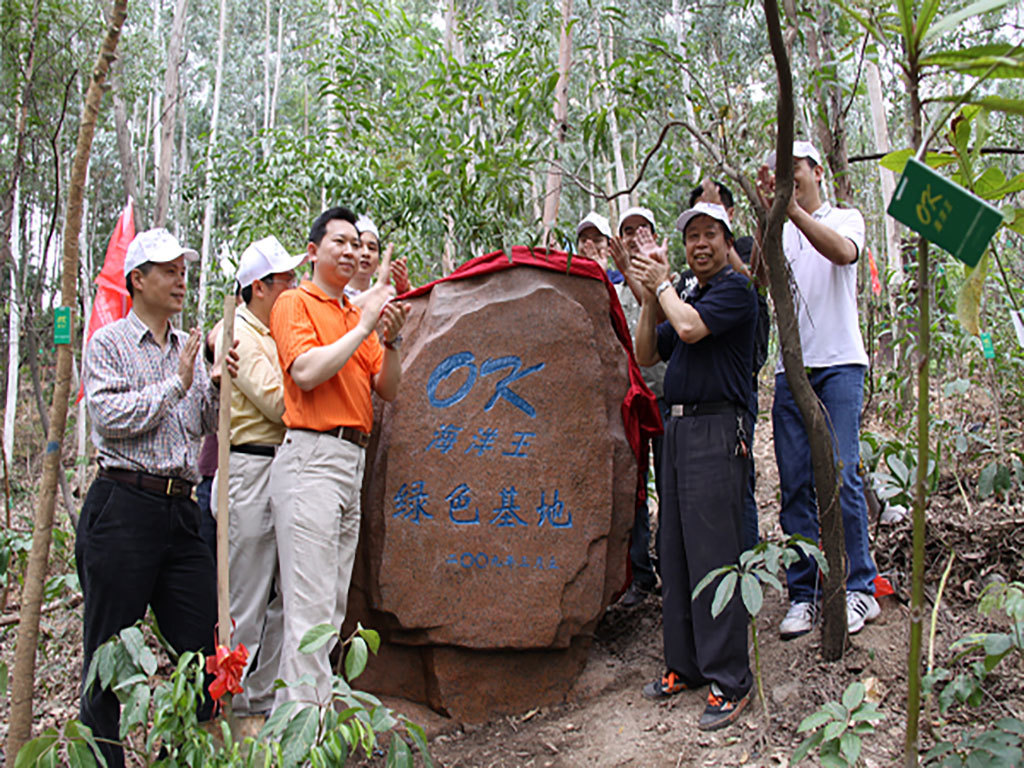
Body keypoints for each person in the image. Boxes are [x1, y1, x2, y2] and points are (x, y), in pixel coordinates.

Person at [77, 228, 237, 767]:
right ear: (137, 280)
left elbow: (200, 426)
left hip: (180, 509)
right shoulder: (109, 344)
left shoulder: (186, 346)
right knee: (107, 654)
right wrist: (177, 382)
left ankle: (181, 755)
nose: (180, 278)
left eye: (182, 269)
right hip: (124, 504)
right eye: (168, 270)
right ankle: (104, 760)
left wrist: (214, 382)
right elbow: (110, 418)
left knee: (205, 649)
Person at [268, 206, 409, 707]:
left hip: (351, 462)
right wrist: (365, 322)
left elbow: (387, 388)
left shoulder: (355, 316)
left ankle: (311, 726)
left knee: (329, 606)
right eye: (340, 243)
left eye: (357, 243)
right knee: (307, 610)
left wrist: (387, 337)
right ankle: (301, 743)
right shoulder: (294, 303)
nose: (352, 252)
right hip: (311, 459)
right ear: (313, 252)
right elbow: (306, 371)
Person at [631, 202, 755, 730]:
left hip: (716, 428)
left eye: (709, 235)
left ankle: (730, 678)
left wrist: (661, 286)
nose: (699, 245)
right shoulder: (687, 292)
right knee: (676, 547)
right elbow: (645, 354)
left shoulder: (734, 291)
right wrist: (647, 298)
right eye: (691, 238)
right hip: (677, 427)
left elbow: (688, 331)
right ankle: (685, 664)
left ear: (727, 242)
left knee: (714, 550)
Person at [756, 141, 880, 638]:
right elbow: (760, 283)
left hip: (841, 366)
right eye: (779, 173)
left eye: (794, 170)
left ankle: (860, 588)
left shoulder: (845, 218)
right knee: (796, 485)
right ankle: (804, 593)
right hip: (792, 372)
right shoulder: (779, 230)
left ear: (817, 172)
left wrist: (791, 213)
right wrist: (768, 222)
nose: (788, 178)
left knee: (843, 473)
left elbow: (843, 253)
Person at [211, 235, 305, 714]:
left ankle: (261, 697)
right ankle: (234, 702)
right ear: (261, 287)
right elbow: (276, 401)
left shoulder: (272, 333)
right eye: (288, 279)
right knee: (246, 598)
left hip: (279, 466)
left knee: (286, 596)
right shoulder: (238, 334)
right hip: (248, 469)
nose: (295, 285)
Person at [684, 180, 770, 552]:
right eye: (694, 231)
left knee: (739, 481)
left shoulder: (744, 254)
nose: (702, 241)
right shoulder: (689, 279)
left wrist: (728, 245)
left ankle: (745, 564)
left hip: (738, 382)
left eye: (712, 223)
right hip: (701, 394)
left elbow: (753, 282)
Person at [607, 206, 668, 606]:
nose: (632, 237)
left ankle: (672, 569)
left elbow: (656, 309)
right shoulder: (613, 278)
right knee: (634, 489)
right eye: (626, 230)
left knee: (668, 482)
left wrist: (633, 269)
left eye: (639, 229)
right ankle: (639, 575)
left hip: (663, 394)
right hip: (628, 398)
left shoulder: (664, 274)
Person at [344, 214, 411, 302]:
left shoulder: (385, 303)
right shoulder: (331, 294)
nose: (366, 253)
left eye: (372, 248)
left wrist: (406, 291)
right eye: (358, 245)